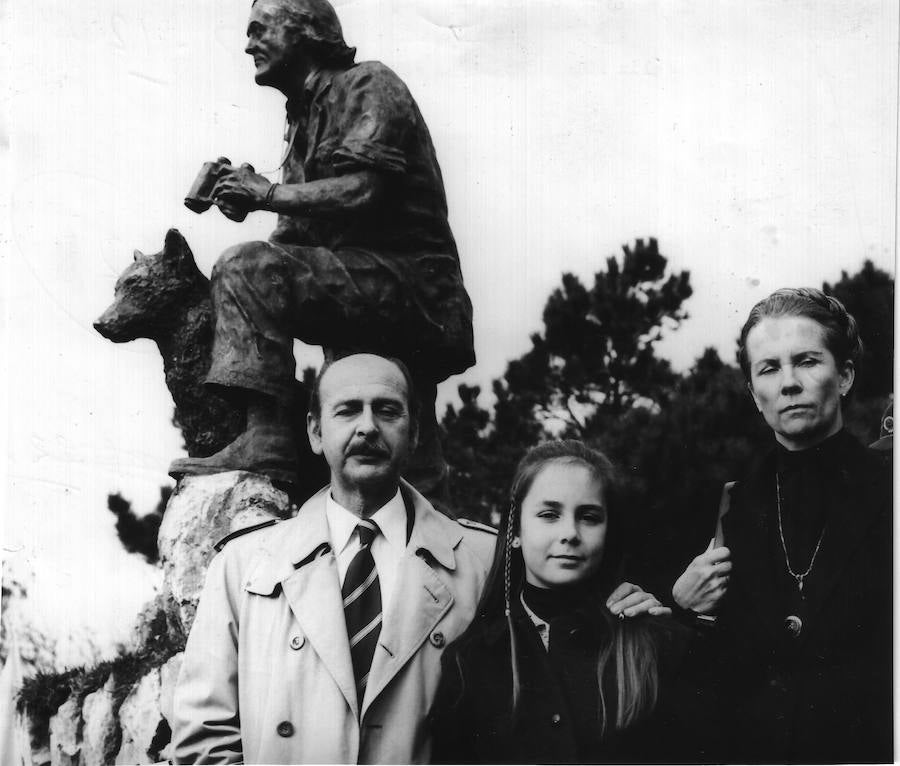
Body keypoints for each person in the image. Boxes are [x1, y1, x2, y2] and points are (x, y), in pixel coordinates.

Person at [171, 355, 661, 764]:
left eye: (387, 410)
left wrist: (634, 609)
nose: (367, 426)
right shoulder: (244, 566)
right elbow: (201, 739)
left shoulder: (484, 558)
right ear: (316, 432)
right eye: (347, 411)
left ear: (416, 431)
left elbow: (564, 645)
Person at [169, 0, 474, 493]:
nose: (249, 44)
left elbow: (364, 189)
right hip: (365, 283)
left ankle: (267, 439)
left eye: (260, 29)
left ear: (307, 30)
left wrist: (267, 196)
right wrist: (251, 200)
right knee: (411, 468)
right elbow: (292, 239)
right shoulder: (301, 121)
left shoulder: (369, 83)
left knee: (246, 267)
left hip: (413, 287)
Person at [672, 288, 892, 763]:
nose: (788, 383)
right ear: (754, 393)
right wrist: (685, 611)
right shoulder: (732, 508)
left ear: (846, 376)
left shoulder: (889, 489)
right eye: (769, 368)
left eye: (807, 361)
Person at [429, 440, 685, 764]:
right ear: (515, 532)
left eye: (589, 517)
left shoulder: (653, 642)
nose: (570, 533)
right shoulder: (470, 661)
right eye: (549, 515)